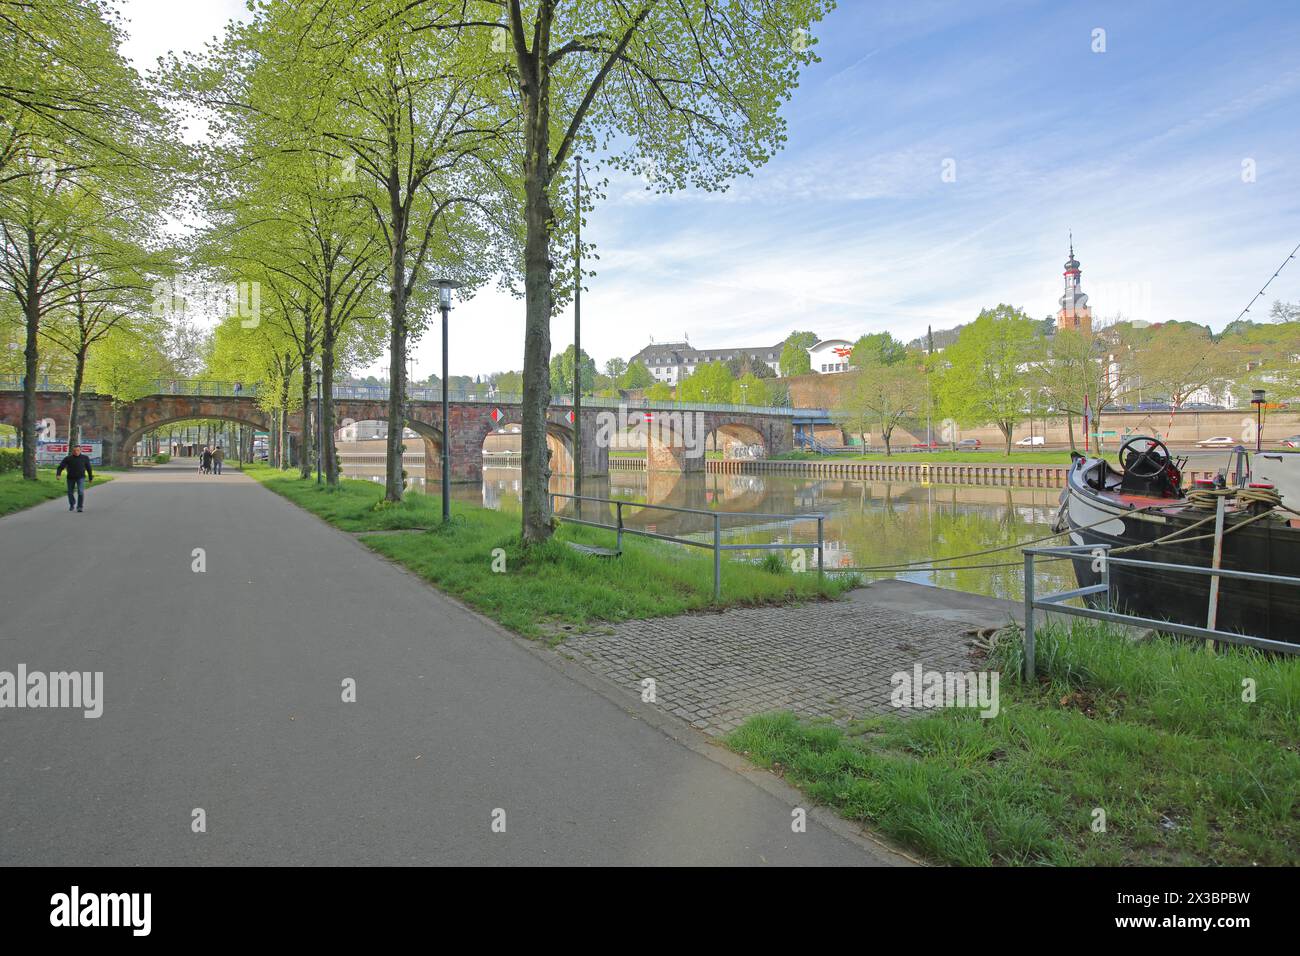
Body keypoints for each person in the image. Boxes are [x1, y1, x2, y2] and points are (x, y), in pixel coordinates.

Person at [55, 445, 94, 513]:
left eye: (78, 450)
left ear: (80, 450)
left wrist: (90, 477)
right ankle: (72, 504)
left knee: (80, 492)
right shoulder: (68, 458)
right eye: (74, 450)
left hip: (81, 477)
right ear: (72, 451)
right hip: (70, 478)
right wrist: (58, 474)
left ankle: (79, 507)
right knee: (70, 492)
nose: (76, 452)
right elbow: (60, 467)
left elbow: (89, 468)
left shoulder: (85, 458)